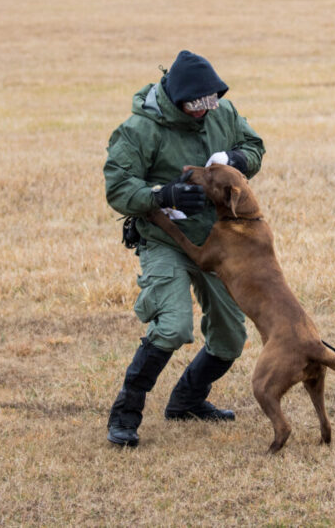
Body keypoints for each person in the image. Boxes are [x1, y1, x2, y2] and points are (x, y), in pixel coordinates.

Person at [103, 50, 265, 445]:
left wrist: (237, 157)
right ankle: (125, 413)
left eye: (209, 104)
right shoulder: (139, 130)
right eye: (195, 106)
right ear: (176, 99)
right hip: (164, 240)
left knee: (231, 338)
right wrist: (161, 195)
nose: (203, 114)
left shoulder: (220, 112)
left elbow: (255, 146)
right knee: (174, 326)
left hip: (217, 242)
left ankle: (188, 400)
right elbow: (117, 188)